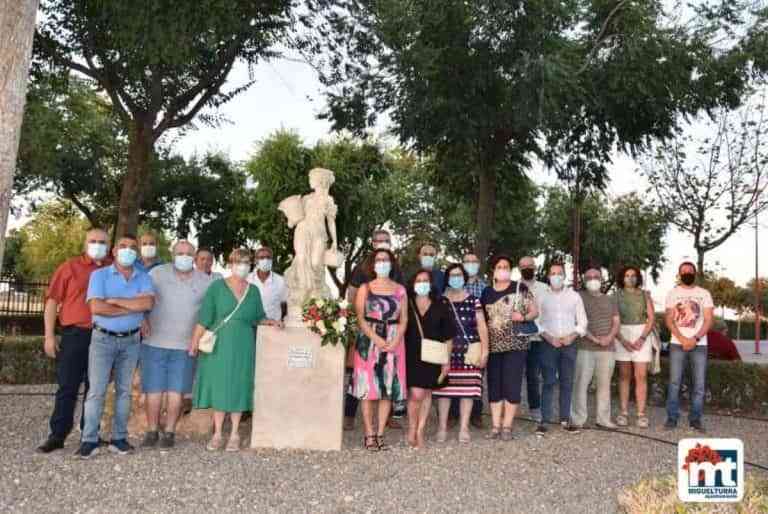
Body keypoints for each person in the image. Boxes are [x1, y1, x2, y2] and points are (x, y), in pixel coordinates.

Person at [189, 249, 280, 451]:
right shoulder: (217, 287)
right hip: (220, 344)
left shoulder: (253, 291)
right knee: (220, 386)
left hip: (243, 344)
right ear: (230, 264)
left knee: (239, 385)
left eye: (246, 262)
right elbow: (205, 317)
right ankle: (217, 434)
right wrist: (194, 341)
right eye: (239, 262)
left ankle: (235, 434)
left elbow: (258, 317)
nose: (243, 266)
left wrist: (271, 322)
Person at [76, 234, 155, 459]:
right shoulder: (99, 275)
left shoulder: (143, 276)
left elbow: (147, 303)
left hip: (131, 341)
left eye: (132, 247)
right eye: (122, 246)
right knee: (96, 391)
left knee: (124, 391)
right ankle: (89, 440)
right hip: (103, 339)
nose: (127, 250)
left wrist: (115, 301)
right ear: (114, 251)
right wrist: (132, 307)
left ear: (137, 253)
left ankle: (119, 438)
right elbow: (97, 308)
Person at [36, 228, 111, 454]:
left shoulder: (113, 269)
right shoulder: (69, 267)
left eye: (102, 242)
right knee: (67, 386)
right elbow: (52, 302)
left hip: (103, 335)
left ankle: (90, 433)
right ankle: (57, 435)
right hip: (75, 335)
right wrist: (49, 336)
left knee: (96, 388)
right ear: (85, 243)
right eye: (93, 241)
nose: (97, 245)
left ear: (109, 246)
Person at [139, 241, 212, 450]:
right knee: (153, 390)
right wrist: (142, 319)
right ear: (172, 255)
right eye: (180, 253)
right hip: (154, 342)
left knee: (176, 392)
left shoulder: (205, 281)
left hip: (185, 346)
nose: (184, 257)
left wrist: (198, 339)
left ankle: (170, 432)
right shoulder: (157, 274)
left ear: (194, 257)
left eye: (188, 254)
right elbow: (142, 297)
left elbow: (209, 311)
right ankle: (152, 431)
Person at [344, 229, 405, 431]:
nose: (382, 243)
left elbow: (402, 299)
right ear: (372, 243)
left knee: (387, 375)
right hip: (366, 327)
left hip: (391, 331)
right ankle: (349, 415)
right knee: (361, 374)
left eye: (386, 240)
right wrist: (358, 322)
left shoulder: (397, 269)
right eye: (379, 240)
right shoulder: (362, 267)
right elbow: (352, 295)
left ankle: (385, 419)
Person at [481, 255, 538, 441]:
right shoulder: (486, 292)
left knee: (512, 385)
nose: (503, 269)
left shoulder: (520, 288)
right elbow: (482, 319)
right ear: (493, 270)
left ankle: (507, 426)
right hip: (493, 346)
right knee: (494, 386)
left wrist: (523, 317)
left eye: (506, 266)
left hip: (516, 345)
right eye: (499, 266)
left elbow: (535, 311)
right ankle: (495, 426)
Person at [434, 263, 489, 443]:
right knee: (444, 392)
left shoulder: (474, 300)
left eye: (459, 275)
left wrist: (485, 351)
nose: (455, 278)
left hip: (469, 353)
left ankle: (464, 428)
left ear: (464, 278)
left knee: (467, 391)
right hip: (445, 353)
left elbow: (482, 326)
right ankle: (442, 427)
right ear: (447, 279)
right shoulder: (440, 300)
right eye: (452, 275)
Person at [405, 269, 455, 448]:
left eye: (425, 280)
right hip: (411, 355)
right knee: (416, 394)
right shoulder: (407, 303)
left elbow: (449, 336)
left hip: (434, 356)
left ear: (431, 284)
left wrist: (446, 361)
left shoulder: (441, 304)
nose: (422, 283)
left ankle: (420, 430)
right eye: (418, 280)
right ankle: (412, 428)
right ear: (413, 284)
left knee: (427, 393)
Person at [538, 263, 587, 435]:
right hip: (548, 344)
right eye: (552, 273)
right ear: (548, 276)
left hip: (569, 344)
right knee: (548, 381)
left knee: (567, 382)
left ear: (564, 276)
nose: (556, 276)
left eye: (559, 273)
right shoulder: (542, 297)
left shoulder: (574, 296)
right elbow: (536, 321)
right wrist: (549, 337)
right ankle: (544, 421)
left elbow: (583, 322)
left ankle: (565, 420)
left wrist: (571, 336)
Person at [664, 261, 714, 432]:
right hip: (677, 344)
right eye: (684, 271)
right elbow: (669, 320)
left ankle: (695, 419)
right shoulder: (672, 293)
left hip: (700, 344)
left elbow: (708, 319)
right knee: (674, 382)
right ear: (679, 274)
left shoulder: (704, 294)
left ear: (695, 273)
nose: (687, 273)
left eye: (690, 271)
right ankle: (672, 418)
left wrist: (695, 338)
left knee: (699, 385)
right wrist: (682, 339)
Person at [570, 265, 620, 430]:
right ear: (584, 281)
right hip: (585, 347)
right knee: (580, 384)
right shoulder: (578, 297)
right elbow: (577, 321)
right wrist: (595, 339)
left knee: (604, 385)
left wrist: (609, 338)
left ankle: (603, 419)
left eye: (596, 277)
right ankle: (578, 419)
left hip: (608, 349)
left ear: (601, 279)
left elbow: (616, 322)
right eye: (589, 277)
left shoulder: (610, 299)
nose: (593, 280)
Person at [446, 252, 488, 429]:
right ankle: (452, 415)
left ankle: (475, 415)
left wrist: (485, 349)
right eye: (467, 261)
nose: (456, 279)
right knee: (449, 383)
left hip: (472, 345)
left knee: (473, 384)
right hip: (450, 349)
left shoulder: (484, 288)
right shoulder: (444, 296)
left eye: (474, 261)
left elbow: (483, 322)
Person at [615, 266, 656, 428]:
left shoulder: (645, 295)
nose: (630, 278)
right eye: (627, 275)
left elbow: (651, 318)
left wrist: (642, 338)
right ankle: (623, 413)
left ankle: (641, 414)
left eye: (633, 275)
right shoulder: (616, 296)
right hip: (621, 334)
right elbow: (612, 320)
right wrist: (622, 340)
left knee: (641, 376)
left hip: (642, 333)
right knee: (624, 375)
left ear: (638, 278)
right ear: (622, 278)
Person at [518, 255, 549, 424]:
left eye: (529, 265)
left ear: (535, 267)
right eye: (523, 267)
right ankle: (510, 408)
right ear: (519, 269)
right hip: (517, 338)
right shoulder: (514, 287)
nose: (527, 269)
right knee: (513, 375)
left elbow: (548, 313)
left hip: (537, 339)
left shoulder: (544, 288)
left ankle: (535, 408)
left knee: (533, 376)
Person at [247, 246, 287, 324]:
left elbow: (284, 304)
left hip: (273, 326)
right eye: (261, 258)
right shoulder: (247, 279)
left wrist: (281, 321)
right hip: (251, 325)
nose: (265, 260)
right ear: (255, 260)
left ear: (272, 260)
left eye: (268, 257)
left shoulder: (280, 280)